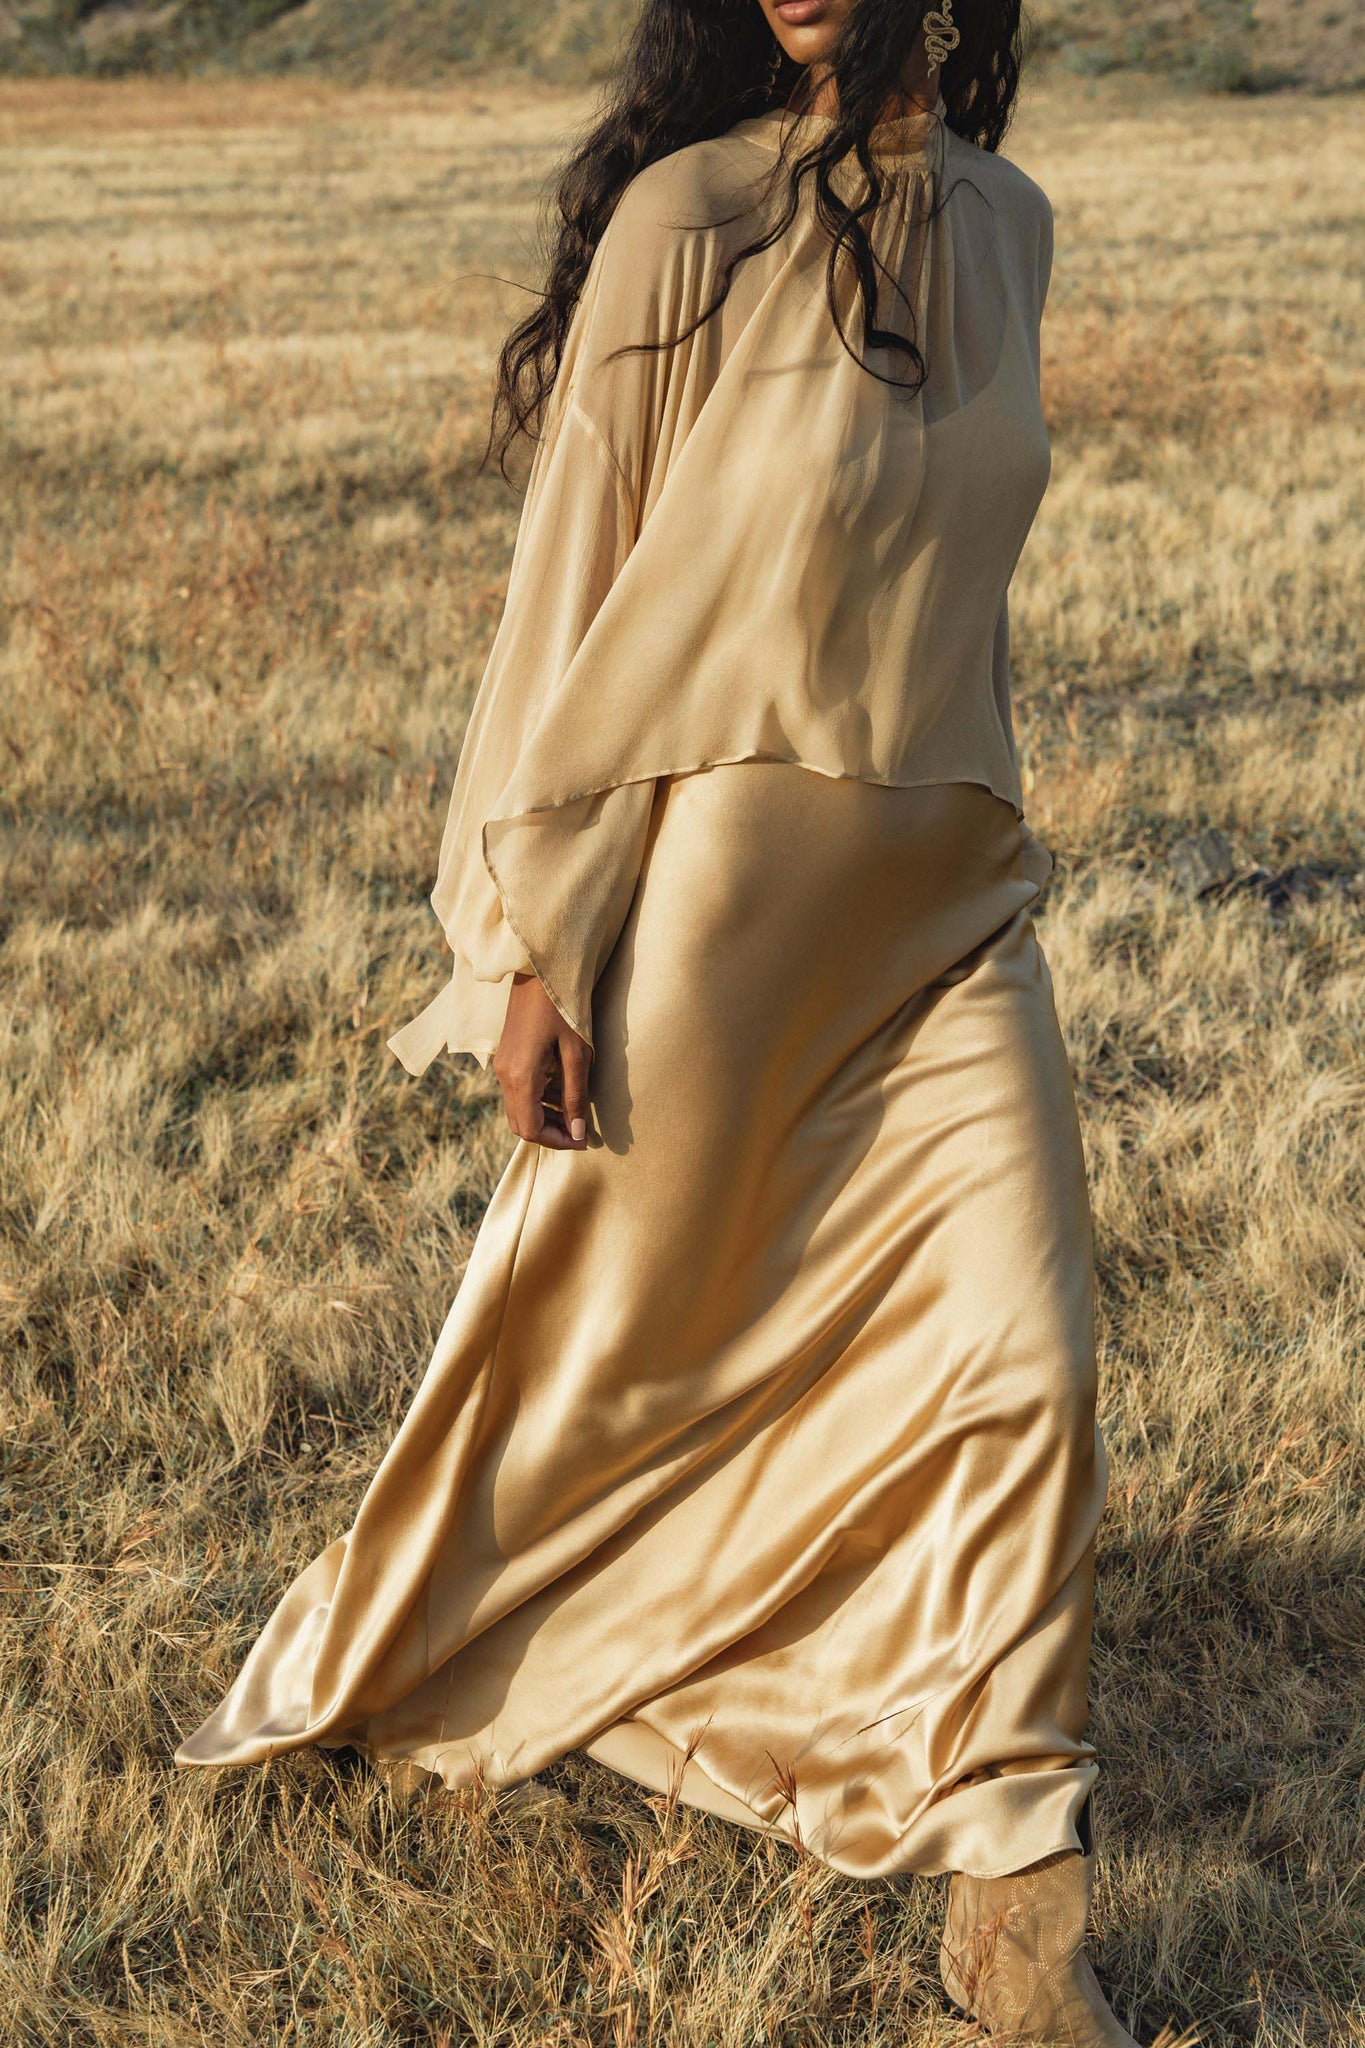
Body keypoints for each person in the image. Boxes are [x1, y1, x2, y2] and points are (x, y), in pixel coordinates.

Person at [177, 1, 1175, 2039]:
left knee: (1028, 1361)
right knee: (600, 1381)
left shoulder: (1015, 226)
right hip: (718, 911)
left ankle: (1014, 1893)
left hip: (947, 902)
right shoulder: (686, 220)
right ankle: (422, 1653)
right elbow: (575, 593)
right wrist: (540, 940)